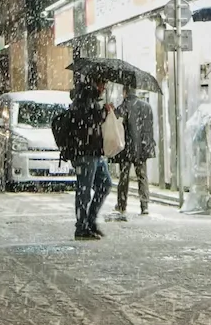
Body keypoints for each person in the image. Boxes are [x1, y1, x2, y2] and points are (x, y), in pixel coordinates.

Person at [53, 73, 111, 238]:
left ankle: (90, 221)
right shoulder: (83, 100)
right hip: (85, 152)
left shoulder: (91, 100)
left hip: (94, 152)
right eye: (102, 84)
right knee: (84, 190)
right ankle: (82, 227)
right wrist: (103, 113)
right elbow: (86, 122)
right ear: (95, 83)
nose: (104, 88)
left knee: (105, 184)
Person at [110, 88, 156, 219]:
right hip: (141, 147)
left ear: (125, 92)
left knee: (124, 178)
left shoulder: (122, 107)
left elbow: (115, 127)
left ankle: (122, 204)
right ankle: (144, 205)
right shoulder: (147, 107)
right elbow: (149, 128)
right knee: (142, 176)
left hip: (126, 148)